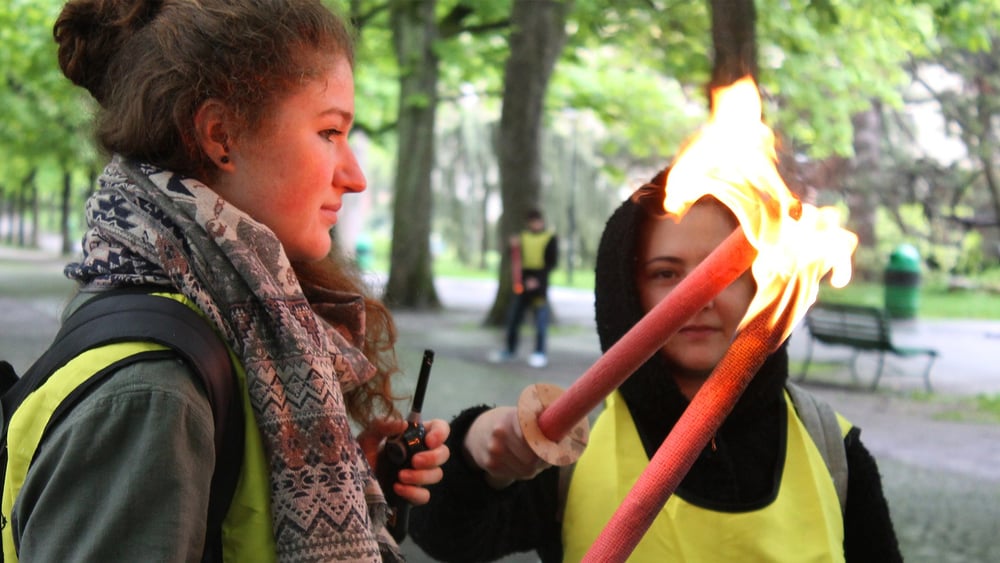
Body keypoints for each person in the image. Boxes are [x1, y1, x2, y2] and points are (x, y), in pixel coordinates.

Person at [6, 1, 450, 561]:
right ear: (221, 135)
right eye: (330, 131)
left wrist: (350, 482)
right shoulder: (155, 393)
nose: (355, 177)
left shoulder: (206, 318)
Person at [409, 170, 902, 561]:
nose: (699, 299)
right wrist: (478, 451)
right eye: (666, 274)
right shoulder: (573, 448)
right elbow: (448, 538)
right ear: (628, 292)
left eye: (726, 273)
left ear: (765, 285)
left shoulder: (832, 450)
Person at [489, 209, 558, 368]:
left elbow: (551, 263)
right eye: (532, 221)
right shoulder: (522, 237)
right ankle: (510, 349)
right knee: (514, 317)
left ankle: (540, 352)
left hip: (540, 285)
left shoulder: (549, 238)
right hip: (523, 283)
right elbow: (514, 258)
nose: (535, 224)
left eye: (537, 221)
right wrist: (513, 246)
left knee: (540, 321)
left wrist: (538, 281)